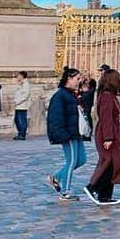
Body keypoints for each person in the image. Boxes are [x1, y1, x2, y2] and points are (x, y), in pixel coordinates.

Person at [85, 68, 120, 206]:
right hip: (109, 134)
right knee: (110, 163)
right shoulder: (107, 97)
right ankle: (93, 187)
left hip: (111, 132)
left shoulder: (107, 95)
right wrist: (108, 138)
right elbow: (106, 118)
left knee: (113, 163)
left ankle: (105, 195)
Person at [46, 67, 88, 202]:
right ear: (68, 79)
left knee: (81, 159)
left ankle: (56, 177)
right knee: (71, 162)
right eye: (77, 79)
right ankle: (65, 192)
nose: (78, 82)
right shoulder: (60, 95)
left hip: (75, 132)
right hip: (67, 133)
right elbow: (56, 117)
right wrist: (62, 133)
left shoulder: (71, 94)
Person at [10, 71, 32, 140]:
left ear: (22, 76)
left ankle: (22, 135)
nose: (17, 77)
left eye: (18, 75)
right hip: (18, 105)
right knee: (17, 120)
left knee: (22, 120)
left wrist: (17, 102)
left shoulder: (26, 84)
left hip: (22, 105)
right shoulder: (20, 83)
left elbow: (25, 95)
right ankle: (20, 133)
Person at [78, 74, 97, 139]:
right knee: (84, 118)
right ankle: (86, 130)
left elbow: (93, 85)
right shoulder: (83, 87)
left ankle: (88, 130)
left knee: (87, 117)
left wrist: (90, 79)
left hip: (87, 104)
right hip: (83, 105)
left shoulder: (90, 90)